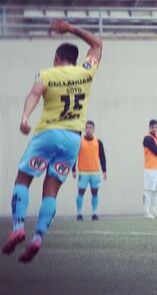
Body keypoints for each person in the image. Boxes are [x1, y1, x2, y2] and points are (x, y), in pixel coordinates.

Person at [2, 19, 102, 263]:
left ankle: (17, 227)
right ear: (75, 58)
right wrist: (72, 28)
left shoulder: (47, 74)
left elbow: (34, 93)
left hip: (47, 134)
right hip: (72, 140)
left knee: (23, 180)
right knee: (51, 189)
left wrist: (25, 118)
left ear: (57, 57)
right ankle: (38, 237)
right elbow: (98, 44)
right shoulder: (86, 71)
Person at [72, 120, 107, 221]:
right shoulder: (79, 141)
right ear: (84, 129)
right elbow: (74, 156)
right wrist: (73, 169)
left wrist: (104, 170)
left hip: (95, 172)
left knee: (95, 192)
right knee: (81, 192)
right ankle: (79, 214)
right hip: (83, 172)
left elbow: (102, 157)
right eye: (87, 127)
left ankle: (95, 213)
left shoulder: (98, 142)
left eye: (91, 127)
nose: (89, 129)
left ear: (94, 129)